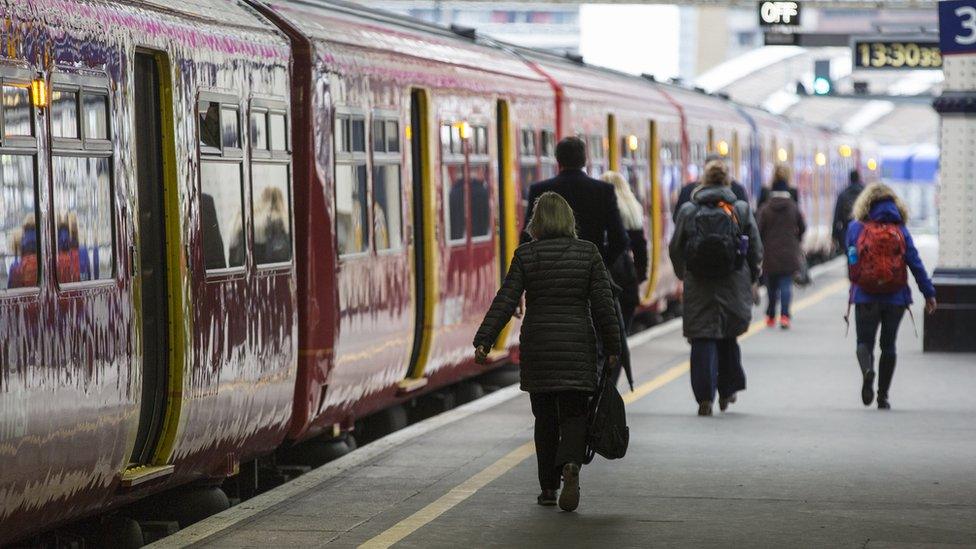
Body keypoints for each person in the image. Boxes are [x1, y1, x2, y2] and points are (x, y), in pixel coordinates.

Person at [474, 192, 620, 512]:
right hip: (577, 345)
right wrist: (613, 347)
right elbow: (604, 306)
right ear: (569, 221)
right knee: (573, 413)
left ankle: (548, 488)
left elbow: (506, 299)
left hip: (539, 346)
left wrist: (484, 339)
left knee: (544, 419)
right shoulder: (589, 253)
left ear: (536, 223)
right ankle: (571, 465)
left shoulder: (526, 255)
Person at [523, 136, 632, 387]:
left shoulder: (540, 190)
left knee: (555, 341)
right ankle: (592, 393)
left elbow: (527, 237)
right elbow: (620, 239)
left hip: (548, 282)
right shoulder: (603, 191)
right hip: (590, 281)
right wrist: (599, 262)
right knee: (596, 339)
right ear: (585, 160)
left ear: (557, 160)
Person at [670, 160, 762, 416]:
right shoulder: (740, 209)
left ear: (703, 182)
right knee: (727, 334)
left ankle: (704, 398)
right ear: (727, 182)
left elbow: (675, 247)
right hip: (733, 282)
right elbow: (755, 247)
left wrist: (683, 274)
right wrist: (751, 276)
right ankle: (727, 389)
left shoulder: (689, 211)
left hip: (698, 283)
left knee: (702, 337)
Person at [846, 183, 936, 410]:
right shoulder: (900, 229)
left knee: (863, 342)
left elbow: (852, 258)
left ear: (865, 203)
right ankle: (883, 396)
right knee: (889, 346)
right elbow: (915, 263)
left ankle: (868, 370)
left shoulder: (856, 227)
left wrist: (856, 278)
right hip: (895, 298)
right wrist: (929, 293)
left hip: (865, 296)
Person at [757, 164, 806, 329]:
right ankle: (785, 316)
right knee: (786, 284)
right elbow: (803, 227)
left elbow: (758, 229)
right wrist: (796, 239)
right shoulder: (793, 207)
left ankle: (771, 316)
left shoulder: (765, 209)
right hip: (788, 252)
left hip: (770, 252)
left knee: (771, 286)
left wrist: (763, 244)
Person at [601, 171, 648, 332]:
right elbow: (641, 246)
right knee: (622, 333)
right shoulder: (633, 208)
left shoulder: (606, 208)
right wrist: (639, 276)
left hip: (610, 276)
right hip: (627, 278)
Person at [672, 153, 748, 222]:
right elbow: (749, 229)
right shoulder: (737, 190)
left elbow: (677, 220)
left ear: (704, 170)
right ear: (724, 170)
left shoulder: (688, 191)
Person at [833, 169, 865, 254]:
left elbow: (836, 217)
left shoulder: (843, 194)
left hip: (847, 233)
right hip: (864, 232)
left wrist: (834, 236)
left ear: (850, 179)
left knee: (851, 258)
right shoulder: (866, 193)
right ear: (859, 178)